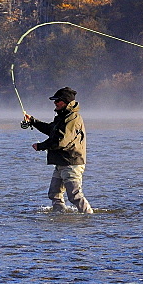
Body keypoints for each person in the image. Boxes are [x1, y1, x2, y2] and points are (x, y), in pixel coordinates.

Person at [22, 86, 93, 214]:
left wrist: (41, 146)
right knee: (54, 193)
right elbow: (51, 130)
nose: (55, 103)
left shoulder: (73, 118)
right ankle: (59, 216)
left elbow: (61, 141)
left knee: (74, 196)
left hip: (71, 163)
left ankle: (89, 217)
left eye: (57, 100)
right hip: (61, 162)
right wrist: (33, 121)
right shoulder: (62, 116)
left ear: (66, 102)